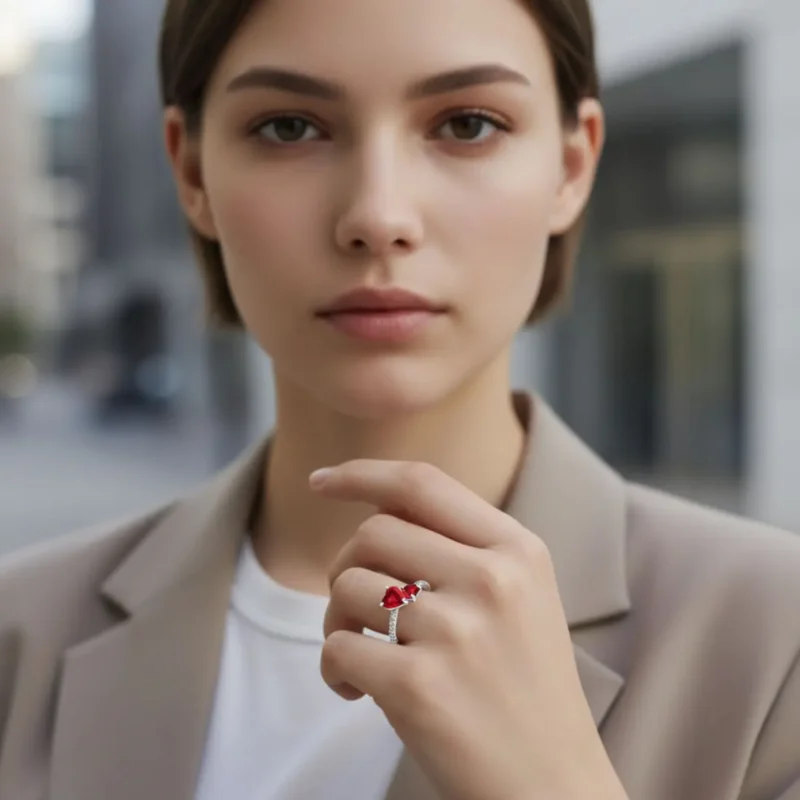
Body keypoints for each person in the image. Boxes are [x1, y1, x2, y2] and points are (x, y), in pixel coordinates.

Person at [1, 0, 799, 797]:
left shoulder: (775, 641)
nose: (378, 217)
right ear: (194, 172)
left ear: (571, 166)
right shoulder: (18, 635)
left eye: (468, 124)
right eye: (289, 127)